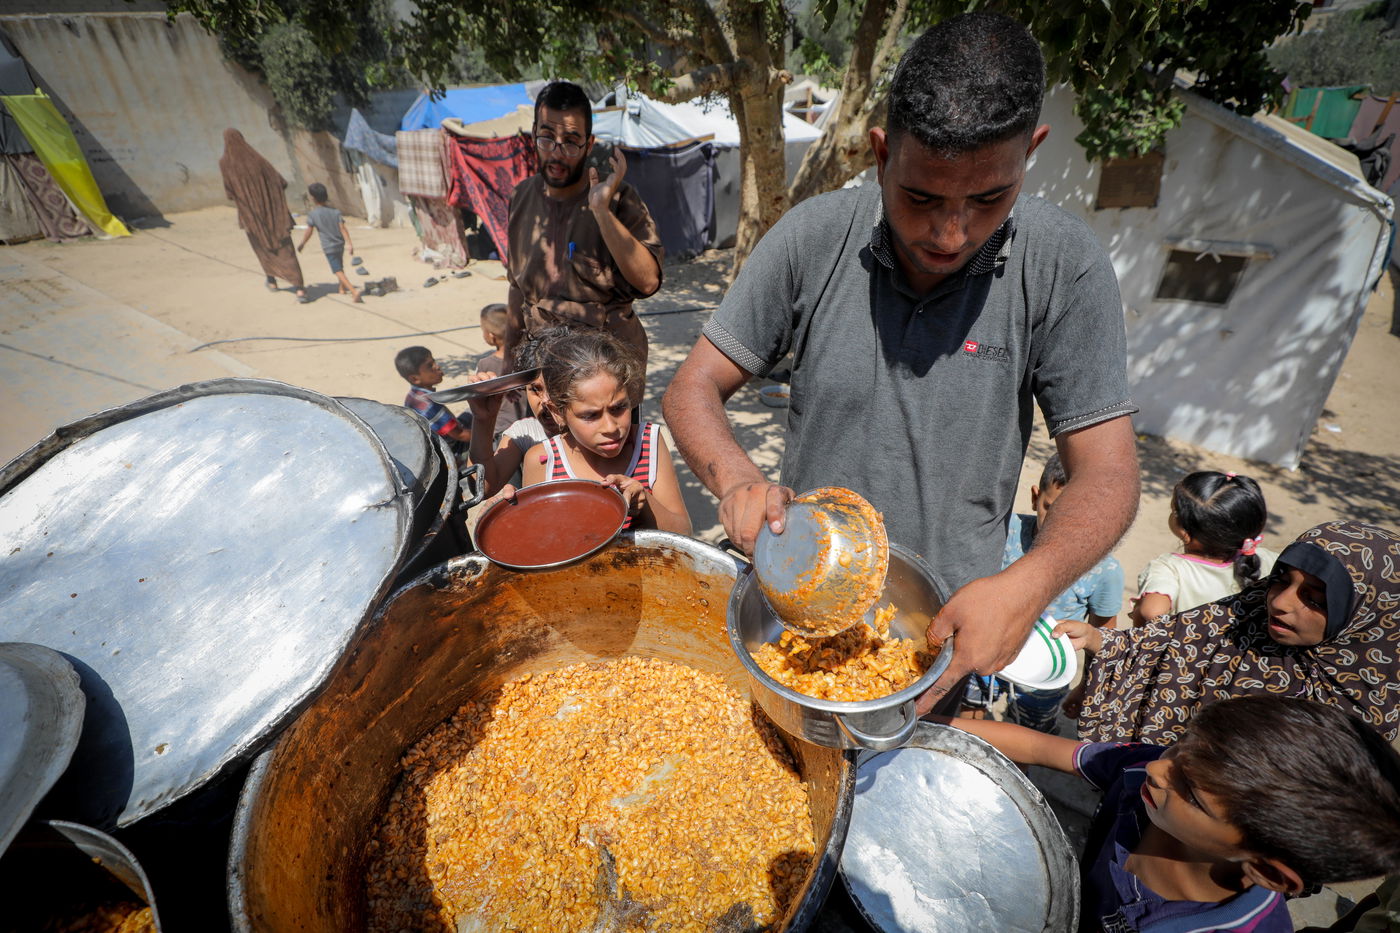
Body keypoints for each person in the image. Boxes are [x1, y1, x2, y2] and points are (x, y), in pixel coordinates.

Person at [660, 12, 1139, 710]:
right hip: (795, 608)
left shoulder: (1066, 268)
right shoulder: (813, 237)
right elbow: (691, 386)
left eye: (988, 198)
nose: (951, 233)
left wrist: (1025, 586)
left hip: (943, 642)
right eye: (921, 197)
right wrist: (735, 477)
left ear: (1029, 154)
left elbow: (1110, 472)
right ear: (882, 155)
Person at [938, 695, 1400, 933]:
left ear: (1265, 870)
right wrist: (915, 726)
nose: (1158, 769)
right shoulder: (1153, 772)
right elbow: (1038, 745)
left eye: (1193, 795)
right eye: (1183, 746)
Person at [1056, 520, 1400, 745]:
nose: (1279, 602)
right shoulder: (1241, 620)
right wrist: (1098, 640)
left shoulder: (1357, 718)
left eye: (1313, 598)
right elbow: (1164, 642)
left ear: (1366, 618)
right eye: (1280, 579)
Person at [504, 81, 663, 374]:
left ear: (588, 145)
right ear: (533, 135)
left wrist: (601, 212)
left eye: (571, 141)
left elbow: (649, 281)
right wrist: (507, 361)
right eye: (547, 137)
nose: (556, 153)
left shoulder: (617, 196)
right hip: (542, 369)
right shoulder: (521, 197)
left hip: (608, 373)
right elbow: (516, 288)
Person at [962, 453, 1123, 732]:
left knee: (1025, 740)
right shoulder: (1004, 532)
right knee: (966, 726)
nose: (1058, 526)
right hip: (984, 654)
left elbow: (1102, 638)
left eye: (1076, 518)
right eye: (1050, 508)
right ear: (1035, 498)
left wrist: (1087, 685)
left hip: (1043, 676)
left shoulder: (1104, 571)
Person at [520, 330, 690, 534]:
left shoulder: (649, 442)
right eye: (590, 415)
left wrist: (645, 503)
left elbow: (683, 533)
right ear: (558, 412)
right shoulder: (543, 461)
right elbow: (537, 541)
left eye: (619, 408)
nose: (610, 427)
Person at [1131, 471, 1275, 625]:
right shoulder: (1269, 559)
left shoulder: (1170, 568)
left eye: (1174, 511)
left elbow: (1151, 612)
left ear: (1185, 532)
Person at [466, 328, 565, 498]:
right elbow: (481, 488)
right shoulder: (527, 433)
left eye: (557, 388)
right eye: (535, 389)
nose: (546, 401)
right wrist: (483, 420)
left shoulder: (607, 427)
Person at [219, 128, 307, 303]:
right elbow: (281, 181)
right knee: (285, 249)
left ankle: (272, 282)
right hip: (274, 214)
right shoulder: (257, 159)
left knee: (261, 248)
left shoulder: (225, 163)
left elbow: (230, 193)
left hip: (251, 217)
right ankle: (300, 290)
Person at [296, 182, 361, 303]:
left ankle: (353, 291)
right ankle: (341, 288)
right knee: (340, 266)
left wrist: (302, 244)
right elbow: (343, 228)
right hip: (339, 244)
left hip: (328, 246)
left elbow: (309, 231)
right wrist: (349, 243)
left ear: (313, 198)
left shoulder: (313, 214)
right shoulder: (336, 212)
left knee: (337, 270)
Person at [395, 346, 472, 448]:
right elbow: (461, 435)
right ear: (415, 378)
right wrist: (491, 435)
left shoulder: (412, 396)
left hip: (442, 437)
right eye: (430, 366)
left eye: (434, 362)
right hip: (453, 450)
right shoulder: (430, 405)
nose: (437, 366)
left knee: (471, 412)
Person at [474, 302, 530, 438]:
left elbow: (481, 400)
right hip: (532, 426)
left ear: (491, 336)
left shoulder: (485, 365)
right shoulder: (529, 357)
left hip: (504, 431)